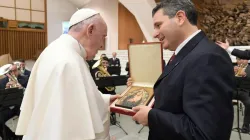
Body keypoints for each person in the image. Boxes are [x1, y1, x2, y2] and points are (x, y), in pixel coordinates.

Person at [128, 1, 235, 140]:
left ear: (180, 17)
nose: (154, 34)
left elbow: (204, 133)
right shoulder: (186, 54)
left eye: (158, 25)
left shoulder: (208, 58)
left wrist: (152, 117)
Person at [15, 8, 119, 140]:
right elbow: (71, 130)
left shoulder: (54, 50)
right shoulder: (68, 62)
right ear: (90, 30)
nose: (101, 44)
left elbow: (74, 98)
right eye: (103, 37)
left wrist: (106, 100)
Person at [233, 58, 250, 133]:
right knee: (219, 98)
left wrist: (245, 75)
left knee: (249, 103)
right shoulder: (232, 67)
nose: (241, 61)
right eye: (239, 59)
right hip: (233, 91)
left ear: (247, 60)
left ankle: (245, 127)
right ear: (236, 60)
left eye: (243, 59)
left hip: (245, 92)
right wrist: (231, 74)